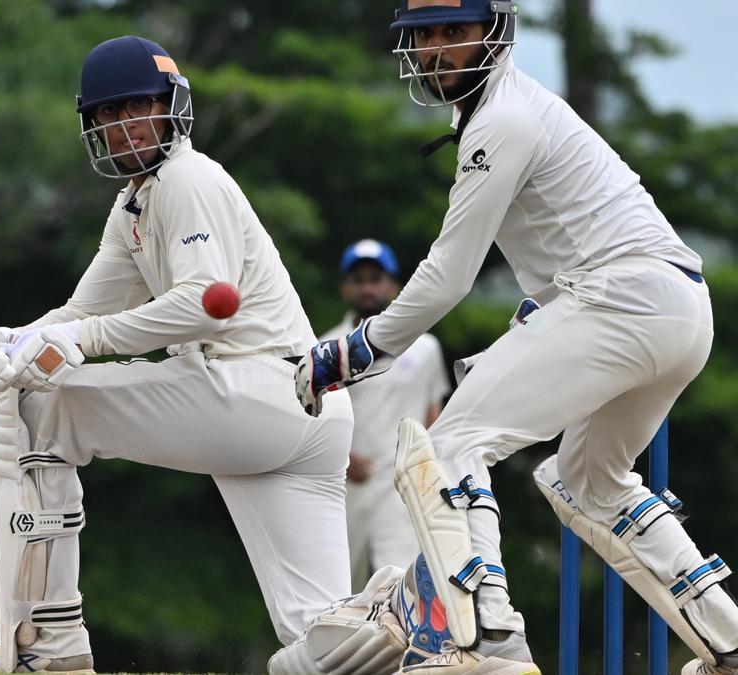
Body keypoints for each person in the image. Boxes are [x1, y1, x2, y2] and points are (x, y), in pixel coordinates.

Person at [294, 2, 738, 674]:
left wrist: (357, 349)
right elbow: (563, 247)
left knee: (448, 446)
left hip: (622, 299)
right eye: (426, 36)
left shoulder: (500, 120)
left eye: (455, 33)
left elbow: (449, 274)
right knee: (586, 482)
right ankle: (727, 639)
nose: (438, 50)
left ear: (494, 34)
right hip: (674, 309)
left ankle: (486, 637)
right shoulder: (503, 113)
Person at [0, 35, 354, 674]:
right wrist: (3, 344)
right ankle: (428, 640)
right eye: (109, 115)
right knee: (323, 643)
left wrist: (62, 351)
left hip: (254, 388)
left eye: (137, 107)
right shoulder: (135, 203)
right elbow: (80, 314)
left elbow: (198, 304)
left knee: (43, 411)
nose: (123, 126)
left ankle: (51, 644)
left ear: (171, 106)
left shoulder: (186, 178)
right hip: (311, 414)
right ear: (93, 127)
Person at [321, 239, 449, 590]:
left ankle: (406, 646)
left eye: (375, 279)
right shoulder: (329, 350)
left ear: (393, 286)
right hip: (348, 485)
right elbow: (316, 419)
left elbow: (432, 414)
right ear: (345, 287)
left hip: (404, 487)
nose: (367, 288)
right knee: (340, 589)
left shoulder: (424, 347)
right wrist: (345, 459)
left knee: (400, 584)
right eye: (358, 279)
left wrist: (432, 473)